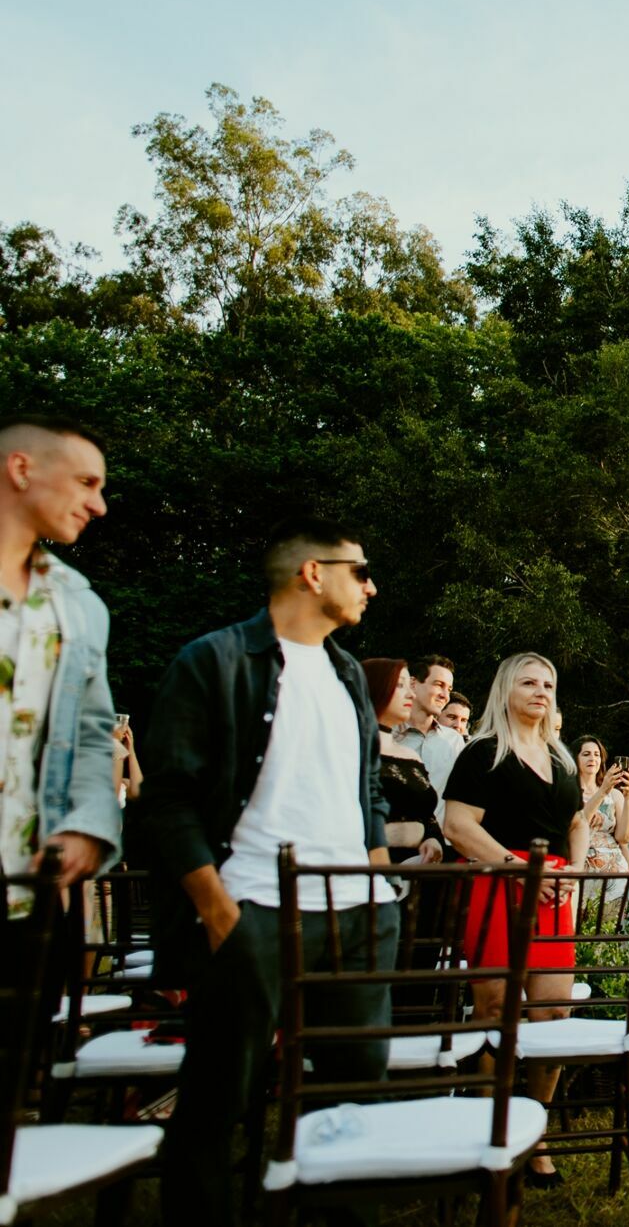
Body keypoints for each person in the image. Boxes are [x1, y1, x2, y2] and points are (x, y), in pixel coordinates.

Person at [138, 516, 398, 1225]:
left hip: (356, 918)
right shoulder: (214, 660)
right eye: (359, 571)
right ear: (313, 573)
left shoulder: (348, 673)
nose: (371, 586)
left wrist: (378, 883)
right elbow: (168, 800)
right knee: (217, 1099)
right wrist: (218, 909)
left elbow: (368, 789)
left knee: (352, 1104)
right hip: (251, 910)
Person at [440, 652, 589, 1188]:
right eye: (528, 682)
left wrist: (574, 868)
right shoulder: (482, 753)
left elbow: (577, 822)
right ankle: (493, 1127)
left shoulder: (561, 758)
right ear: (505, 690)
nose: (540, 691)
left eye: (548, 684)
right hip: (498, 884)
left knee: (553, 1014)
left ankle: (537, 1130)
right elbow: (457, 825)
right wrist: (519, 868)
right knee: (494, 1012)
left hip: (554, 894)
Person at [0, 414, 118, 920]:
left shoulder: (79, 606)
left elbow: (92, 735)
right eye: (86, 482)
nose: (99, 505)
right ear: (21, 468)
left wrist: (87, 827)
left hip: (30, 899)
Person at [360, 658, 445, 863]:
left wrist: (432, 839)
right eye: (399, 685)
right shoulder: (351, 752)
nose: (411, 694)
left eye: (410, 686)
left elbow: (427, 815)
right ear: (374, 687)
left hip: (418, 871)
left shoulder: (410, 756)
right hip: (369, 867)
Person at [572, 735, 629, 899]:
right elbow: (578, 825)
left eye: (597, 754)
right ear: (575, 758)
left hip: (614, 875)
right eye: (586, 754)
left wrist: (628, 795)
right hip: (580, 868)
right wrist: (602, 790)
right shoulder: (570, 791)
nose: (592, 758)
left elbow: (624, 838)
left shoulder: (614, 794)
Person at [391, 654, 462, 797]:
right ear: (413, 684)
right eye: (439, 685)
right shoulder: (386, 735)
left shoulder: (454, 742)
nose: (445, 696)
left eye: (449, 689)